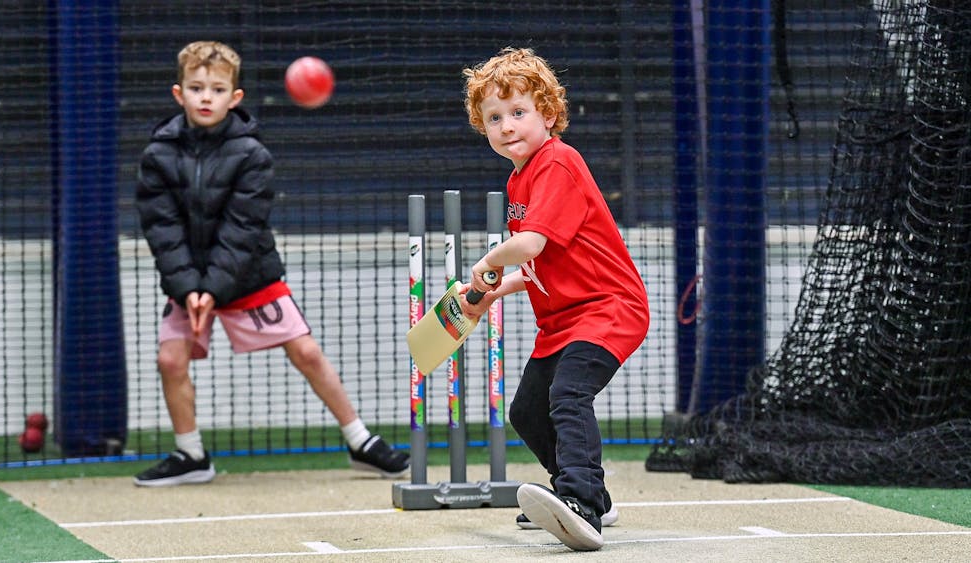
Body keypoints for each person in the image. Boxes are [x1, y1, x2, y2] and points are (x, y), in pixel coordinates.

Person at [133, 40, 409, 487]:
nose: (206, 96)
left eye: (217, 89)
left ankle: (360, 442)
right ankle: (191, 455)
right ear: (178, 93)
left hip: (248, 273)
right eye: (196, 87)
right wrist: (189, 289)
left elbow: (243, 229)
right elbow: (161, 229)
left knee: (305, 350)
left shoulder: (252, 155)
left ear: (235, 97)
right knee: (170, 359)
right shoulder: (157, 155)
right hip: (186, 280)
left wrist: (215, 288)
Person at [460, 47, 650, 551]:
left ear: (548, 114)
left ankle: (582, 501)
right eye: (494, 118)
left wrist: (486, 265)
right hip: (563, 319)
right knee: (527, 410)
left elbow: (530, 244)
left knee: (568, 394)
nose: (506, 126)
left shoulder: (558, 161)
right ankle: (589, 495)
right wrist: (496, 290)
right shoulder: (519, 177)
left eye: (518, 112)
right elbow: (537, 264)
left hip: (608, 308)